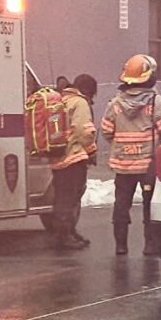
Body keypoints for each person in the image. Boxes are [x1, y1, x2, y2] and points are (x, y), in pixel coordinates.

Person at [101, 54, 161, 256]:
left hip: (122, 165)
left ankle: (121, 246)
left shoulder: (115, 104)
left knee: (121, 205)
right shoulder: (157, 103)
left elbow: (107, 131)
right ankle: (150, 245)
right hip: (147, 167)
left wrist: (122, 146)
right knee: (148, 206)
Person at [48, 74, 98, 250]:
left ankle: (68, 231)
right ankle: (65, 235)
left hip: (58, 156)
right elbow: (83, 130)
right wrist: (91, 151)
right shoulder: (80, 102)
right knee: (70, 197)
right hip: (74, 157)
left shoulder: (61, 100)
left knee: (62, 195)